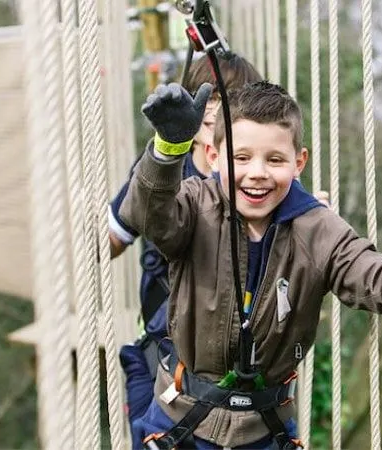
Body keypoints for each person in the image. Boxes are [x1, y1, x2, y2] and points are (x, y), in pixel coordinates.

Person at [119, 80, 382, 449]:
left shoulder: (318, 230)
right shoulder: (196, 206)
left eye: (275, 159)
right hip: (179, 424)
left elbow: (379, 283)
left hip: (262, 433)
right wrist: (167, 152)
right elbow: (151, 216)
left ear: (299, 163)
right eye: (241, 157)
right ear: (213, 157)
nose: (258, 173)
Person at [109, 53, 265, 424]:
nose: (214, 111)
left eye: (227, 100)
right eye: (206, 98)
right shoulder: (160, 169)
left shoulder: (262, 178)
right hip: (163, 359)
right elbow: (112, 238)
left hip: (238, 373)